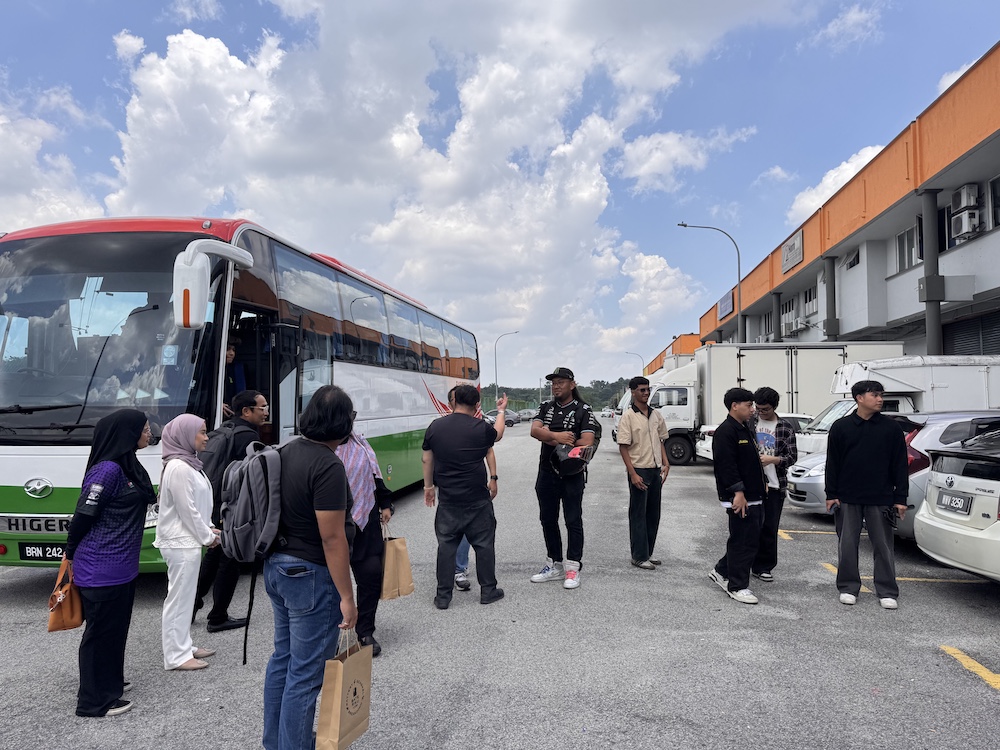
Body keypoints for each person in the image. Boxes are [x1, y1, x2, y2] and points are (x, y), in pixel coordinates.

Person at [263, 385, 358, 750]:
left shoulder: (285, 451)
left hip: (277, 567)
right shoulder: (328, 465)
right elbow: (332, 538)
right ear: (342, 423)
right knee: (305, 674)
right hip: (310, 575)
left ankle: (277, 741)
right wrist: (347, 596)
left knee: (283, 659)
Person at [65, 409, 156, 717]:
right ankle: (94, 701)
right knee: (100, 634)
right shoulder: (107, 470)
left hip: (122, 566)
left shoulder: (128, 465)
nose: (149, 433)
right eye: (144, 429)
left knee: (115, 630)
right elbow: (83, 516)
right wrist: (69, 553)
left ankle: (110, 682)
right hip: (101, 566)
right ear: (126, 434)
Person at [825, 380, 908, 610]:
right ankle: (848, 587)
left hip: (881, 496)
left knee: (883, 546)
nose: (880, 399)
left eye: (881, 395)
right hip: (847, 496)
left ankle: (887, 590)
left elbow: (900, 464)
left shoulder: (891, 428)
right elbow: (833, 463)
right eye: (875, 395)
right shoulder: (841, 427)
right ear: (859, 398)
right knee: (847, 544)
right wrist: (831, 493)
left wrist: (900, 498)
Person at [423, 384, 507, 609]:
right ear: (477, 404)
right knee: (484, 545)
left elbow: (427, 459)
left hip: (448, 499)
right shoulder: (481, 428)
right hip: (477, 499)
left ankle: (443, 596)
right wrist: (501, 411)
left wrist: (428, 487)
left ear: (454, 401)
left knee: (446, 546)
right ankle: (488, 591)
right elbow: (498, 434)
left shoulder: (435, 427)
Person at [194, 389, 268, 632]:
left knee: (214, 553)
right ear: (246, 411)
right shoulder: (248, 436)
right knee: (231, 558)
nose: (266, 412)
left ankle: (192, 606)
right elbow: (253, 476)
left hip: (215, 502)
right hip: (234, 506)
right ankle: (218, 616)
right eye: (262, 408)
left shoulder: (224, 429)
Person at [154, 414, 221, 671]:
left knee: (185, 596)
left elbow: (196, 506)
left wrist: (208, 528)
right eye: (201, 432)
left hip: (187, 540)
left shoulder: (188, 463)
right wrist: (208, 536)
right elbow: (187, 509)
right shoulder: (179, 467)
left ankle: (183, 645)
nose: (206, 437)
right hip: (181, 543)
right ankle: (176, 656)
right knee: (179, 599)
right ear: (185, 435)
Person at [529, 366, 599, 589]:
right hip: (546, 472)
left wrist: (547, 435)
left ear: (572, 384)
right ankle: (554, 563)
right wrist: (558, 436)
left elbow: (587, 441)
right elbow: (534, 431)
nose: (556, 386)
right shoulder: (546, 407)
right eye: (553, 383)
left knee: (573, 520)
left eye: (561, 382)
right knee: (547, 519)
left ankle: (573, 567)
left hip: (572, 473)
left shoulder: (583, 409)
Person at [336, 429, 393, 657]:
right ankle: (331, 633)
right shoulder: (318, 449)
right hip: (333, 523)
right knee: (331, 584)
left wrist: (385, 502)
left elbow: (374, 474)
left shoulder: (360, 443)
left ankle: (365, 630)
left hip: (365, 521)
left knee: (371, 575)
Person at [709, 387, 767, 605]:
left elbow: (752, 462)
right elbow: (727, 466)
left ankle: (721, 570)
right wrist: (738, 492)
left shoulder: (744, 428)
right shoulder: (726, 431)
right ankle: (737, 586)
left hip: (754, 493)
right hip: (740, 497)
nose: (752, 409)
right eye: (749, 405)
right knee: (743, 541)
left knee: (748, 538)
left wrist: (763, 482)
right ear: (735, 406)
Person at [616, 376, 670, 570]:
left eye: (647, 389)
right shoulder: (629, 416)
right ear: (633, 392)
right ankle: (638, 556)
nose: (646, 393)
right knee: (638, 514)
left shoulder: (656, 415)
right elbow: (623, 446)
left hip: (655, 469)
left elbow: (660, 439)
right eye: (642, 390)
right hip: (639, 469)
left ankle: (648, 552)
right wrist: (632, 473)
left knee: (653, 513)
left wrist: (666, 463)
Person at [750, 386, 798, 583]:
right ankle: (746, 563)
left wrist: (773, 460)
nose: (761, 412)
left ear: (775, 407)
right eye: (758, 408)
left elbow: (792, 457)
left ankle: (763, 567)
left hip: (775, 485)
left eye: (766, 409)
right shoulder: (749, 422)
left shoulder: (785, 427)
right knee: (750, 527)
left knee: (769, 528)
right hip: (752, 484)